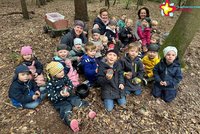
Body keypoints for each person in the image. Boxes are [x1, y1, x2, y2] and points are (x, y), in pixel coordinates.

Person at [45, 61, 88, 132]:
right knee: (66, 108)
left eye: (62, 70)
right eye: (59, 72)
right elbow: (51, 97)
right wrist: (60, 95)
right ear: (53, 75)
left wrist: (68, 89)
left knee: (76, 100)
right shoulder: (50, 84)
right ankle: (70, 121)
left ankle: (87, 110)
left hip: (69, 95)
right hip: (59, 101)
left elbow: (70, 84)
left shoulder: (64, 77)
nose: (62, 72)